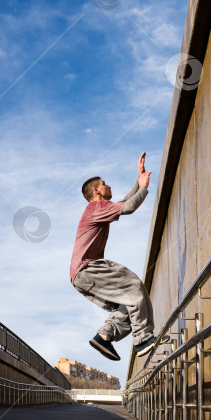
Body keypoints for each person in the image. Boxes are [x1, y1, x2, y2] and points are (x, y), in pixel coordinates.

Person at [70, 152, 168, 361]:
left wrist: (138, 178)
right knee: (134, 287)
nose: (110, 186)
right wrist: (143, 187)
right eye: (105, 184)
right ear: (96, 190)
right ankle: (142, 339)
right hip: (88, 268)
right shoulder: (97, 206)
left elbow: (124, 201)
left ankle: (104, 336)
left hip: (80, 277)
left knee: (126, 305)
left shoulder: (98, 209)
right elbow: (130, 207)